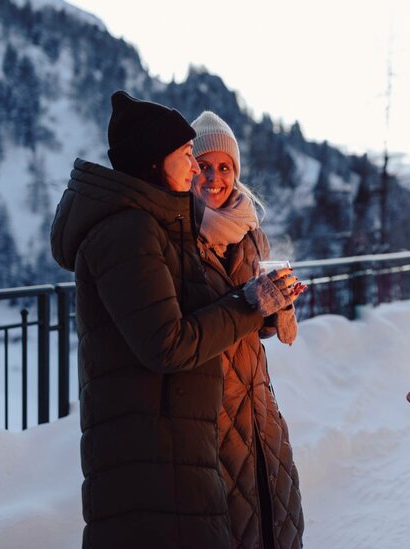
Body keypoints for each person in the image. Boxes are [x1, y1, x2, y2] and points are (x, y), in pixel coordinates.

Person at [49, 91, 302, 548]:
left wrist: (269, 309)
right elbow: (170, 340)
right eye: (191, 158)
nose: (201, 172)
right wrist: (250, 304)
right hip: (185, 432)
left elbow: (211, 316)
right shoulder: (136, 231)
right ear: (154, 161)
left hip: (233, 420)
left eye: (221, 166)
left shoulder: (186, 228)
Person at [190, 110, 305, 549]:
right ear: (187, 168)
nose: (215, 178)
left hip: (257, 402)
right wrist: (253, 301)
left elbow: (256, 324)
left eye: (225, 167)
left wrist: (279, 306)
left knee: (273, 518)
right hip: (208, 406)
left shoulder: (251, 233)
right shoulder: (177, 235)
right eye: (203, 166)